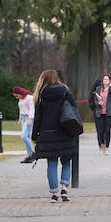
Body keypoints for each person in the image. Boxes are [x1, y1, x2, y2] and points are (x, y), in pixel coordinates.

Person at [31, 69, 78, 202]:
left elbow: (37, 119)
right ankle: (64, 188)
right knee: (66, 161)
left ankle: (54, 193)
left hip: (48, 134)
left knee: (51, 163)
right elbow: (73, 110)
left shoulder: (40, 95)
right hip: (65, 132)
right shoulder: (65, 92)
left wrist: (34, 135)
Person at [92, 74, 111, 155]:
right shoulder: (98, 89)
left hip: (109, 113)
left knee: (107, 130)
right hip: (99, 112)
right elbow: (95, 99)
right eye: (104, 79)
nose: (105, 81)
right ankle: (102, 145)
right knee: (100, 131)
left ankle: (107, 147)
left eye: (107, 79)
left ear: (110, 81)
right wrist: (98, 103)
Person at [13, 86, 34, 163]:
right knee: (27, 137)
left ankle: (34, 152)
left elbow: (32, 108)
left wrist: (30, 119)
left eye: (16, 95)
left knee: (23, 136)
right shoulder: (20, 99)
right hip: (23, 118)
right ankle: (30, 156)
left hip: (29, 118)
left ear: (20, 93)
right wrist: (20, 119)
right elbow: (21, 110)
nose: (16, 97)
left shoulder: (29, 98)